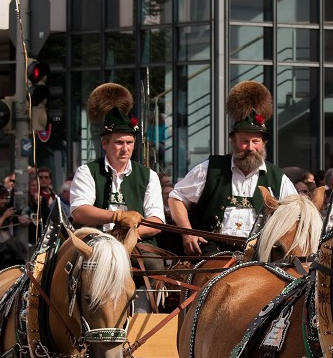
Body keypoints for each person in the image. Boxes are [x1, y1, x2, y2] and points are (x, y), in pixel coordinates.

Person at [169, 81, 296, 254]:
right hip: (210, 254)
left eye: (255, 141)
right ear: (233, 141)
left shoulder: (279, 179)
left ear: (264, 142)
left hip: (258, 257)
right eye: (244, 141)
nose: (250, 147)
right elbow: (176, 198)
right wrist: (187, 234)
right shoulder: (210, 169)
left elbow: (295, 217)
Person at [69, 82, 163, 239]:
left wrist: (130, 235)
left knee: (155, 265)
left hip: (135, 243)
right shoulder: (87, 172)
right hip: (95, 242)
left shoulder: (149, 176)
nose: (125, 148)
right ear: (105, 143)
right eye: (119, 142)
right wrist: (117, 217)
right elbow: (79, 211)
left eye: (129, 142)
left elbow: (157, 220)